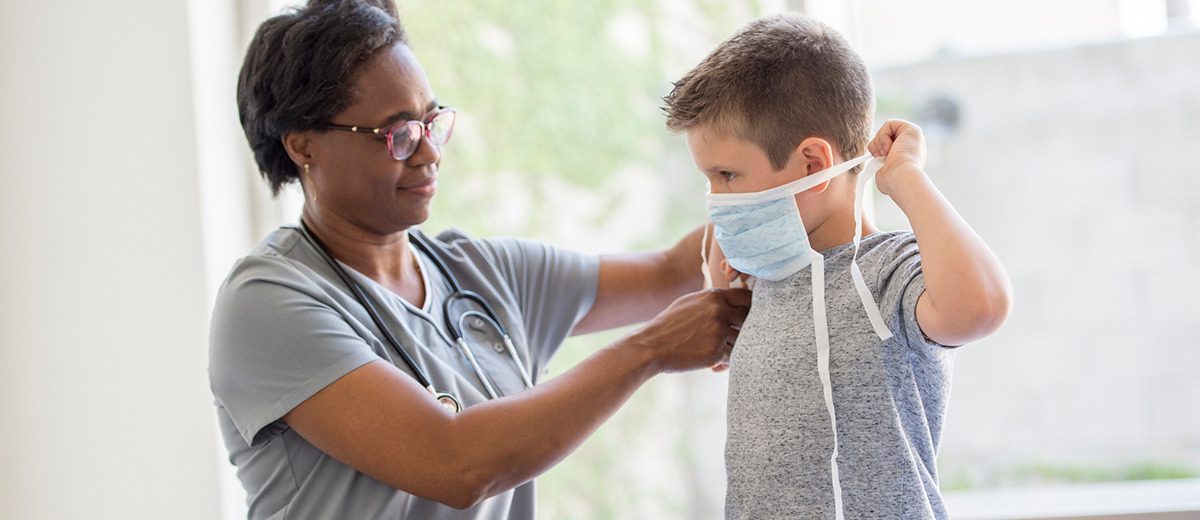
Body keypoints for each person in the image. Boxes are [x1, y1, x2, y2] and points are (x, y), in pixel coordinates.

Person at [208, 1, 751, 519]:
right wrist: (651, 349)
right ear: (303, 147)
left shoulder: (479, 274)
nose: (429, 152)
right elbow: (456, 464)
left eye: (432, 121)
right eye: (398, 134)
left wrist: (791, 194)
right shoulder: (266, 303)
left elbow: (672, 272)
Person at [663, 13, 1013, 520]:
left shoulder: (884, 273)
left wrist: (907, 178)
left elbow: (981, 306)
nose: (716, 202)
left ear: (812, 164)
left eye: (727, 175)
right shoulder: (769, 280)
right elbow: (725, 342)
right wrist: (725, 256)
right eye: (709, 180)